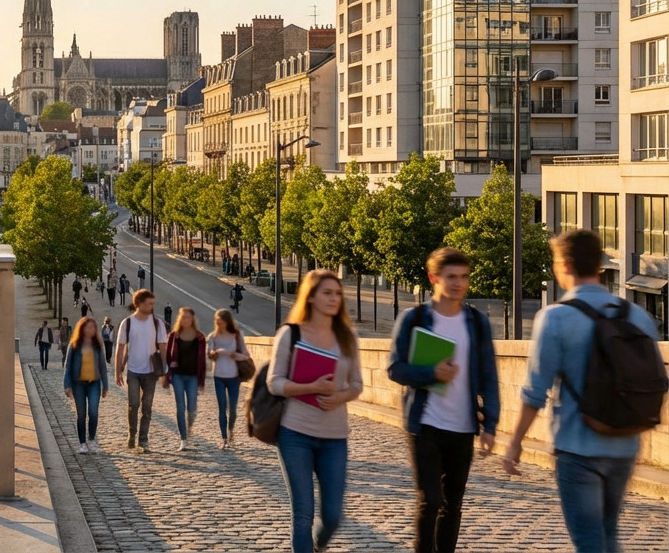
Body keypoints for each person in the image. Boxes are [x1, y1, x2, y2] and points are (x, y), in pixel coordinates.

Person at [503, 230, 663, 553]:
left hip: (578, 448)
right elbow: (655, 379)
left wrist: (515, 441)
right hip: (625, 445)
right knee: (608, 532)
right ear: (599, 265)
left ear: (563, 265)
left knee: (590, 539)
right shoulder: (637, 316)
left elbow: (536, 391)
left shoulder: (556, 318)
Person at [388, 247, 499, 553]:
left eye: (464, 277)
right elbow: (395, 369)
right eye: (451, 277)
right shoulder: (415, 318)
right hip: (424, 423)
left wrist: (490, 423)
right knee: (430, 499)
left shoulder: (476, 322)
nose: (459, 283)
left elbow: (489, 375)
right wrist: (431, 372)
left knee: (452, 505)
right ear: (433, 278)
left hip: (463, 426)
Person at [268, 270, 363, 553]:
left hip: (335, 437)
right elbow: (274, 383)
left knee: (333, 516)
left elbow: (357, 385)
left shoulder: (347, 337)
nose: (334, 298)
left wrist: (340, 396)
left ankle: (318, 546)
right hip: (295, 433)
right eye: (327, 293)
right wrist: (310, 386)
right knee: (303, 514)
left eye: (337, 293)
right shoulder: (291, 333)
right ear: (310, 297)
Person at [114, 289, 168, 453]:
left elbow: (163, 346)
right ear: (139, 304)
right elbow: (120, 348)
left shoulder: (157, 323)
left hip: (151, 371)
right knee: (133, 404)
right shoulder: (127, 323)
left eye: (153, 303)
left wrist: (165, 369)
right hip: (134, 370)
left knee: (147, 407)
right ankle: (132, 434)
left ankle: (143, 439)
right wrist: (118, 371)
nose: (152, 306)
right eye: (148, 303)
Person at [63, 316, 110, 454]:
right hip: (78, 384)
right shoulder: (75, 345)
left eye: (92, 327)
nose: (90, 330)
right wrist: (67, 384)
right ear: (82, 329)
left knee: (93, 413)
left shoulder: (97, 346)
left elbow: (102, 366)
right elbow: (68, 366)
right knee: (81, 414)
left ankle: (91, 440)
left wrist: (105, 386)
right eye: (88, 327)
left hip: (94, 383)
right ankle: (82, 443)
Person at [163, 307, 206, 451]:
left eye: (188, 317)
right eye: (183, 317)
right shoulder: (174, 336)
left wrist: (202, 381)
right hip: (178, 376)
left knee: (192, 408)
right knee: (180, 407)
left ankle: (189, 430)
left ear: (193, 319)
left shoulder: (200, 337)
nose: (186, 320)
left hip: (193, 376)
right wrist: (168, 372)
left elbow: (202, 361)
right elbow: (168, 357)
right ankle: (183, 439)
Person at [208, 308, 250, 449]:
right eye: (217, 322)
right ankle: (224, 439)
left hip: (233, 376)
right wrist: (214, 353)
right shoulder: (213, 337)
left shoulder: (237, 336)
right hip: (218, 376)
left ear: (227, 322)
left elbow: (246, 356)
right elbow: (209, 355)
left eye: (221, 322)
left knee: (232, 409)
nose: (219, 325)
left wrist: (235, 355)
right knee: (222, 408)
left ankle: (231, 431)